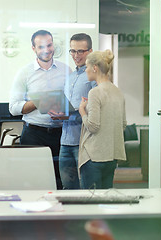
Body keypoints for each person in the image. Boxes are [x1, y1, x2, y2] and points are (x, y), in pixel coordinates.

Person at [9, 30, 71, 190]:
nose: (47, 49)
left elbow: (73, 104)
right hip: (33, 135)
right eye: (41, 46)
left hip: (61, 135)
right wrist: (38, 101)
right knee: (32, 183)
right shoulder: (24, 73)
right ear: (33, 48)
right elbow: (13, 108)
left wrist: (65, 114)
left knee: (60, 182)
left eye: (49, 45)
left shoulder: (66, 71)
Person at [52, 33, 97, 189]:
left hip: (83, 142)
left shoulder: (94, 76)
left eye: (80, 51)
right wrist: (59, 114)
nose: (75, 55)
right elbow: (68, 106)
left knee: (87, 189)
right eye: (72, 51)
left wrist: (73, 113)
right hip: (65, 142)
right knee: (68, 188)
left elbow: (96, 108)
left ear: (90, 51)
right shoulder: (70, 77)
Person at [78, 49, 126, 189]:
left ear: (95, 68)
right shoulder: (118, 92)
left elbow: (93, 126)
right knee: (105, 202)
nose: (85, 70)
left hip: (94, 157)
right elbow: (122, 125)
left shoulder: (95, 92)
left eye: (86, 66)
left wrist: (82, 111)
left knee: (90, 204)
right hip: (111, 157)